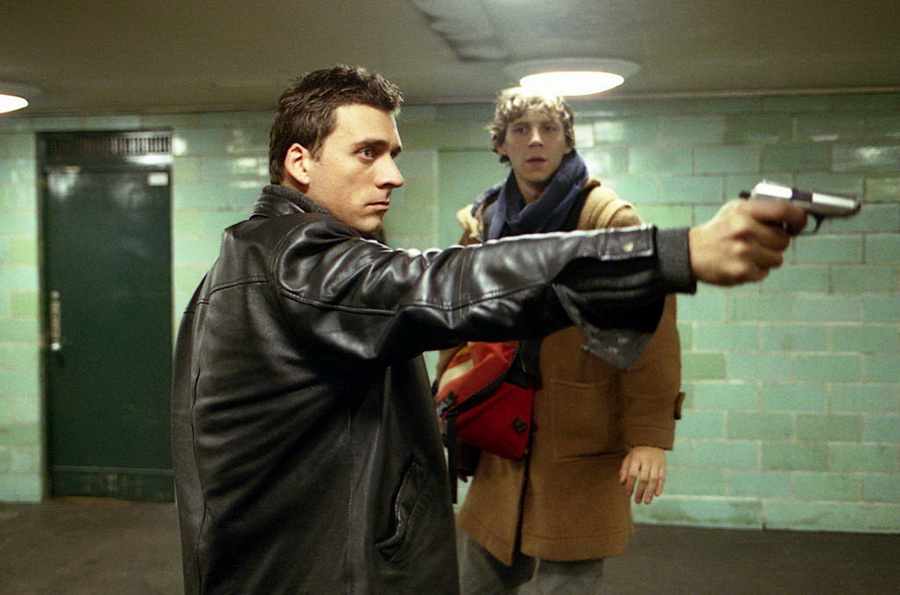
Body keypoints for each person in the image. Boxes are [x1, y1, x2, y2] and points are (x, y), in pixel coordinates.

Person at [170, 64, 807, 594]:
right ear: (300, 163)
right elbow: (448, 286)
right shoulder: (296, 264)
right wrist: (676, 252)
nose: (393, 175)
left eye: (393, 154)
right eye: (367, 152)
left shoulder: (258, 257)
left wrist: (647, 432)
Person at [439, 89, 682, 594]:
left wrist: (649, 437)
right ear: (500, 144)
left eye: (548, 129)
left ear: (567, 142)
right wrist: (455, 422)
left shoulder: (606, 221)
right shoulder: (484, 225)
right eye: (520, 129)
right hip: (501, 427)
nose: (535, 140)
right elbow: (459, 326)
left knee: (566, 581)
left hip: (580, 431)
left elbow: (650, 330)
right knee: (480, 576)